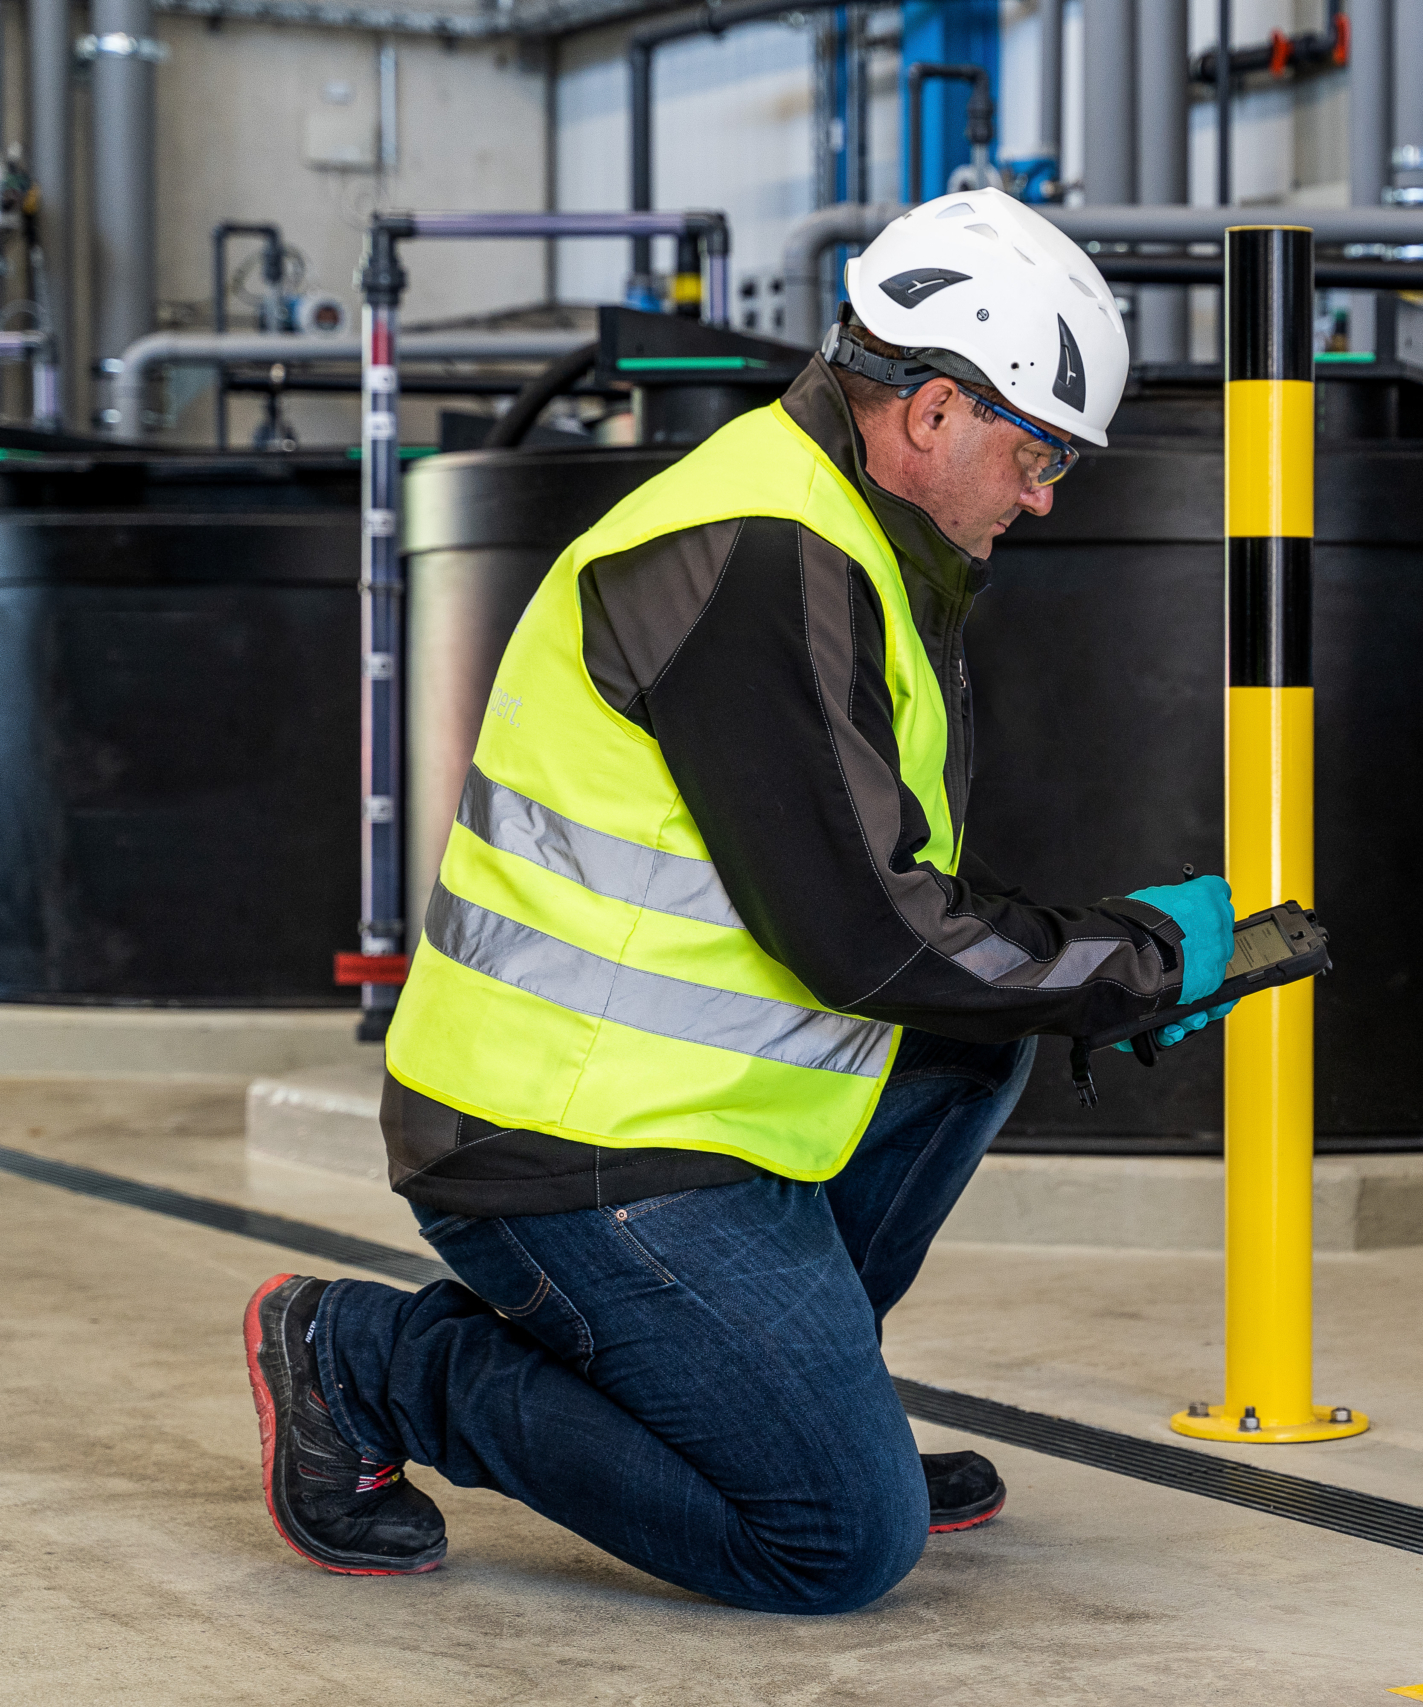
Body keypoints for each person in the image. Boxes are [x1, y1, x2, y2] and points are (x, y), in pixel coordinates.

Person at [241, 190, 1236, 1613]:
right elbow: (869, 936)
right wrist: (1129, 964)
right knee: (836, 1539)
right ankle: (369, 1364)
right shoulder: (763, 553)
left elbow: (895, 921)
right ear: (936, 413)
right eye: (1038, 453)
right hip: (561, 1138)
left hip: (677, 1109)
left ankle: (770, 1398)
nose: (1044, 495)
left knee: (974, 1040)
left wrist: (1089, 973)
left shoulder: (841, 525)